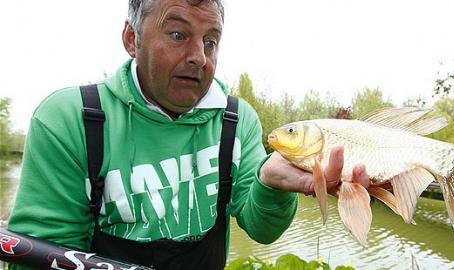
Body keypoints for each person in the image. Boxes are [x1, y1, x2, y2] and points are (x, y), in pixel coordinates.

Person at [7, 0, 369, 269]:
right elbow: (39, 258)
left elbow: (261, 230)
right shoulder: (70, 120)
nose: (199, 56)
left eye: (211, 41)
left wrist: (271, 186)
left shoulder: (237, 120)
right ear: (132, 39)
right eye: (178, 35)